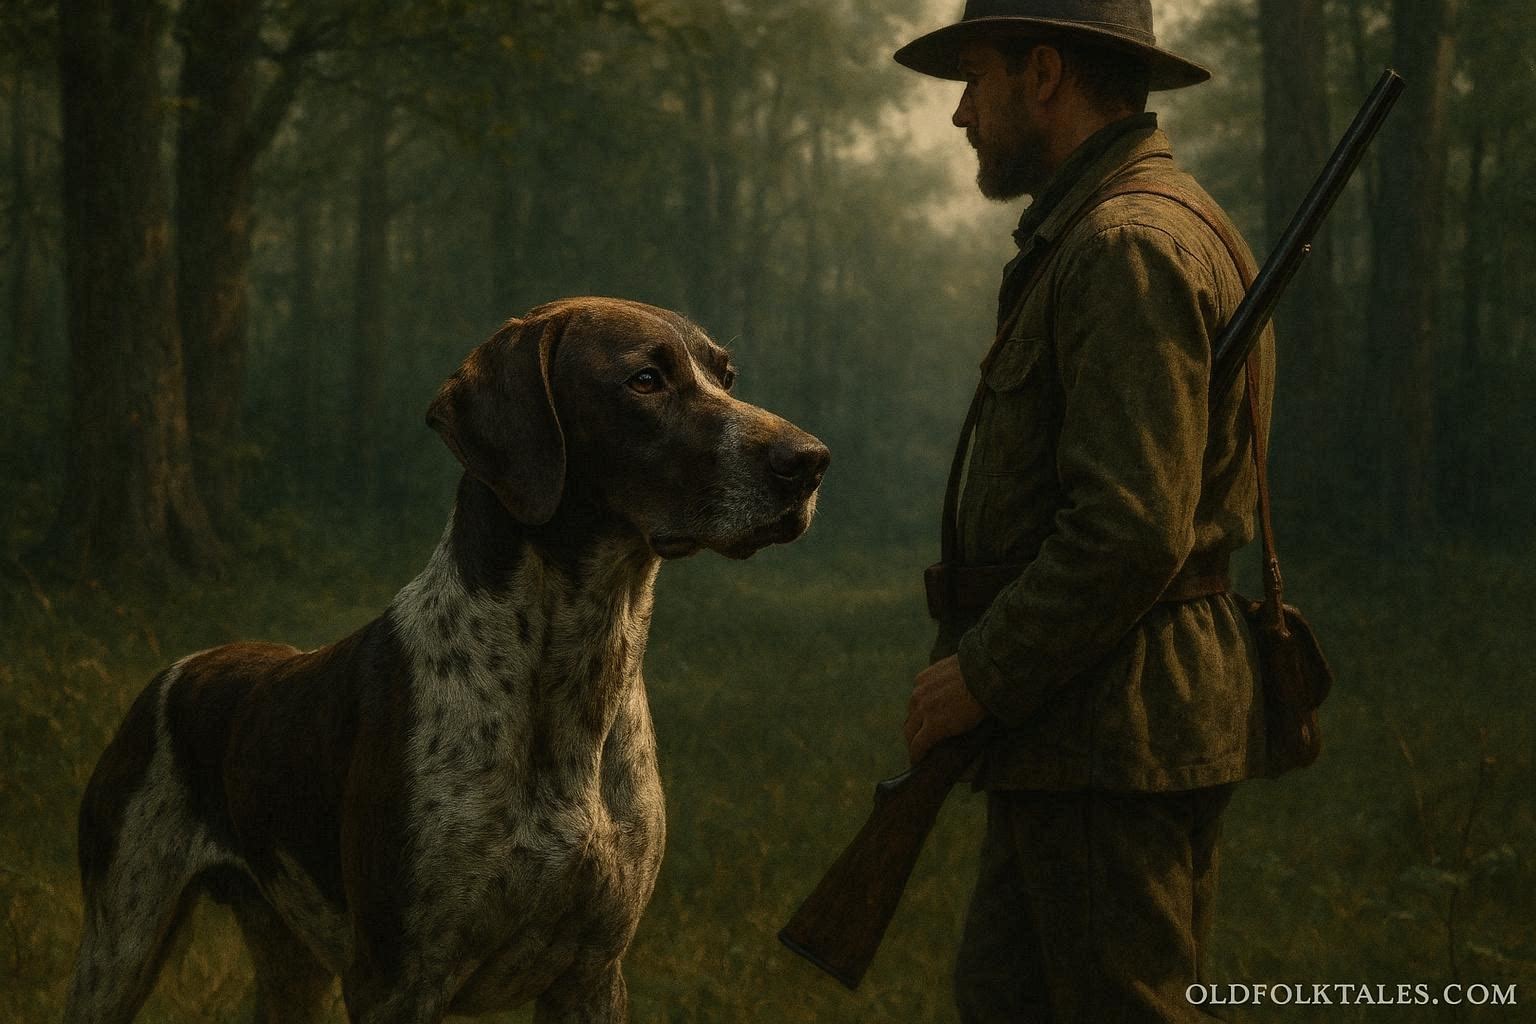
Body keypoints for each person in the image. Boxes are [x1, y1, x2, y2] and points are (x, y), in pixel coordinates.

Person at [894, 1, 1275, 1021]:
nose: (960, 114)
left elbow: (1129, 528)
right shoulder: (1121, 231)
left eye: (976, 77)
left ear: (1047, 73)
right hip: (1083, 726)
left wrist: (981, 672)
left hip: (1116, 728)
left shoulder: (1124, 245)